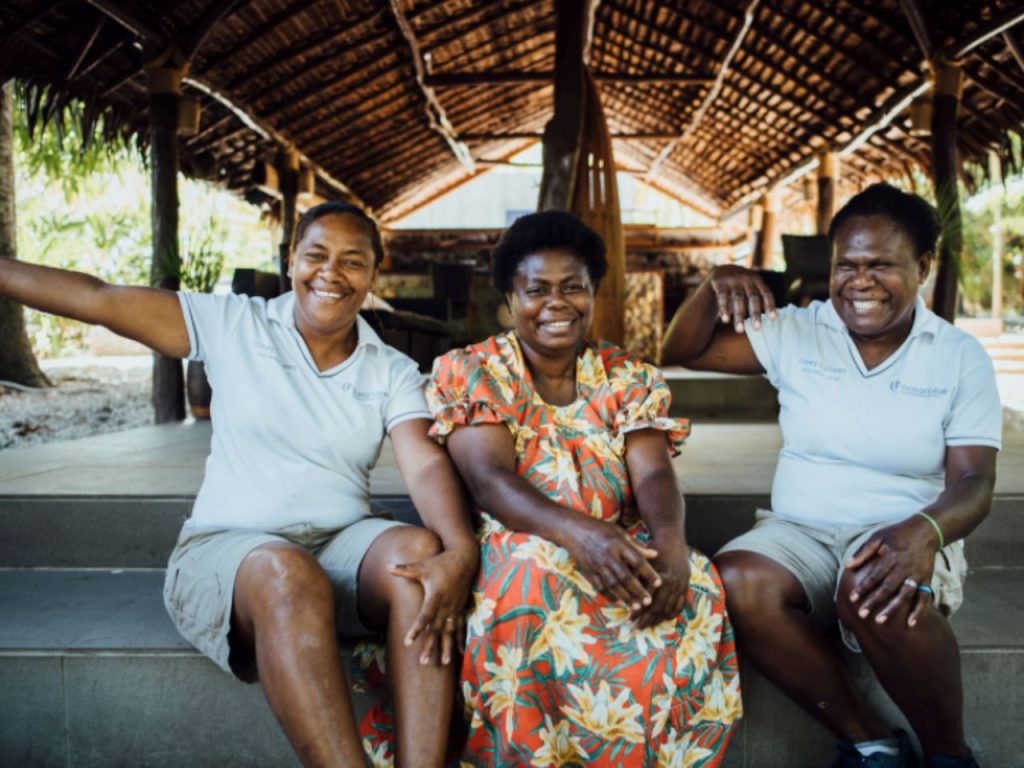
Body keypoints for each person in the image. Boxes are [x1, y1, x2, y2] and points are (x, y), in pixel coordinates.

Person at [0, 201, 479, 768]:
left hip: (337, 546)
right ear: (290, 260)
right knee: (285, 570)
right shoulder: (234, 323)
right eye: (316, 255)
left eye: (353, 261)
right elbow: (97, 299)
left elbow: (422, 464)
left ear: (374, 273)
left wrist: (460, 550)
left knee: (420, 555)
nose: (332, 273)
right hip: (229, 552)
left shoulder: (390, 368)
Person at [661, 183, 1001, 768]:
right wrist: (715, 280)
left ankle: (949, 756)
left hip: (904, 528)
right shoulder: (798, 330)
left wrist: (923, 532)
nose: (859, 282)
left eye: (881, 266)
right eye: (847, 265)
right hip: (801, 532)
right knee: (736, 582)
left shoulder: (956, 355)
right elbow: (683, 350)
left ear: (922, 267)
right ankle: (872, 743)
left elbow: (973, 483)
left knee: (874, 588)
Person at [422, 210, 742, 766]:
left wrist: (668, 541)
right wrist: (581, 535)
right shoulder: (475, 370)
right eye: (536, 289)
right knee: (533, 580)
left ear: (594, 292)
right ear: (509, 297)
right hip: (519, 538)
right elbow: (489, 480)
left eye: (573, 287)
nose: (556, 304)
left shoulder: (627, 376)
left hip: (615, 535)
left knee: (696, 581)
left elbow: (655, 472)